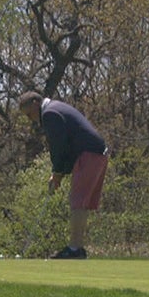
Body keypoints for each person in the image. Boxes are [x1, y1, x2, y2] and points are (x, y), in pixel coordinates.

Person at [18, 91, 108, 259]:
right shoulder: (55, 108)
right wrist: (60, 172)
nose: (31, 119)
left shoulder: (50, 113)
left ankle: (74, 249)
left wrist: (57, 172)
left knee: (78, 201)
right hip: (96, 153)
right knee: (81, 202)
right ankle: (78, 248)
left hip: (89, 154)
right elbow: (67, 145)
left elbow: (58, 146)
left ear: (36, 103)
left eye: (29, 114)